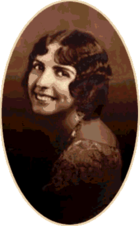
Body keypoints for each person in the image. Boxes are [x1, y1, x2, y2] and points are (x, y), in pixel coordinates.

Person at [5, 29, 122, 224]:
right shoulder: (79, 127)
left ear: (86, 85)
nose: (42, 82)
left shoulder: (84, 157)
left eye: (61, 72)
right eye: (38, 67)